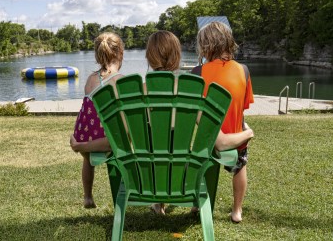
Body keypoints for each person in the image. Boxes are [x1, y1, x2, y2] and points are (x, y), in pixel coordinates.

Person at [70, 30, 254, 214]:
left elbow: (115, 142)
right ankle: (164, 204)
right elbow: (221, 143)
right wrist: (248, 133)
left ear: (149, 57)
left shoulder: (133, 94)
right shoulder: (191, 93)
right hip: (184, 181)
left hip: (143, 181)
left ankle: (159, 203)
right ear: (177, 56)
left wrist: (82, 146)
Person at [191, 21, 254, 223]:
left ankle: (196, 203)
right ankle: (237, 211)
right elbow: (243, 106)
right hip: (236, 138)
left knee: (202, 166)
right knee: (240, 168)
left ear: (206, 46)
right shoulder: (243, 70)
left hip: (208, 138)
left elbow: (195, 110)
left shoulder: (198, 73)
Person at [71, 32, 124, 209]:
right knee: (119, 141)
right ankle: (121, 196)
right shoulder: (120, 81)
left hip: (84, 133)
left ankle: (88, 196)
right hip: (104, 138)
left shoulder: (91, 79)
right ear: (120, 53)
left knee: (88, 161)